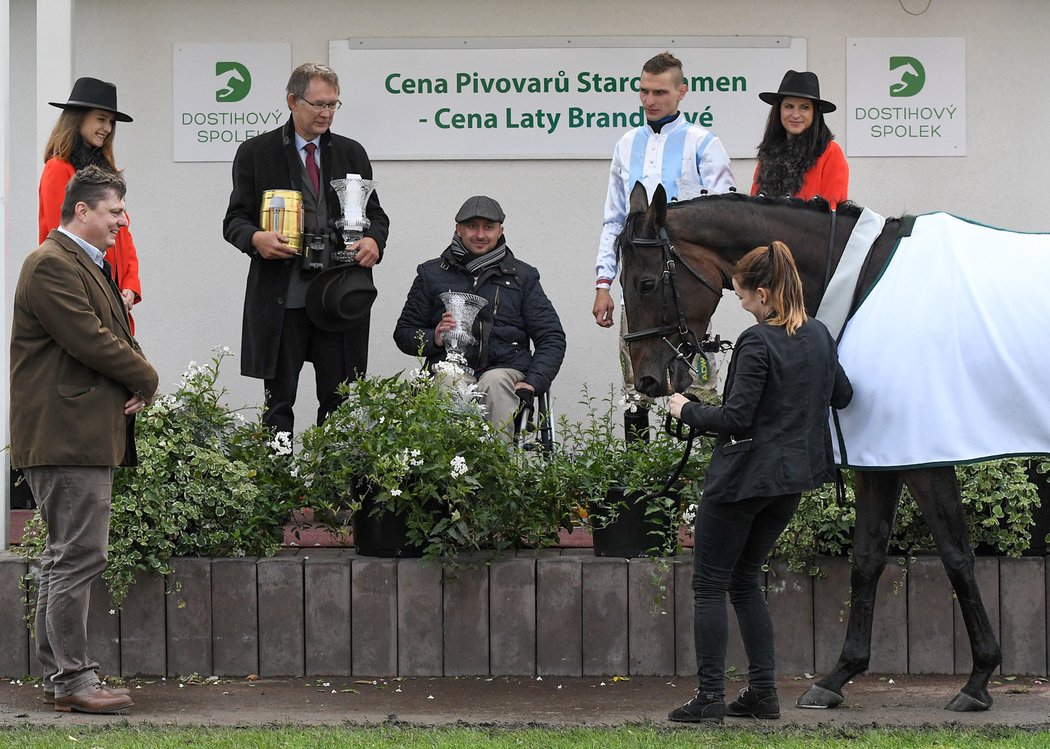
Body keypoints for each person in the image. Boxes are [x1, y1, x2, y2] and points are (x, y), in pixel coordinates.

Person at [665, 240, 852, 724]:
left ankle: (709, 698)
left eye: (745, 295)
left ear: (766, 294)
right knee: (744, 580)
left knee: (709, 584)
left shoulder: (757, 340)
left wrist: (687, 410)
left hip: (743, 481)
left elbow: (737, 416)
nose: (742, 303)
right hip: (791, 483)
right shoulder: (819, 335)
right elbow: (844, 395)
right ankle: (762, 693)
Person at [11, 165, 159, 714]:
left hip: (74, 435)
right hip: (66, 437)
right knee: (78, 556)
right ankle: (73, 679)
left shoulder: (78, 264)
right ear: (82, 211)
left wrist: (134, 370)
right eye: (115, 212)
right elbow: (90, 339)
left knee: (64, 557)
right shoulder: (51, 264)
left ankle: (63, 679)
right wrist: (145, 376)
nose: (122, 221)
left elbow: (106, 335)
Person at [223, 62, 389, 433]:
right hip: (284, 298)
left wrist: (374, 241)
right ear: (292, 101)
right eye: (318, 104)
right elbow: (234, 220)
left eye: (333, 104)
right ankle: (277, 487)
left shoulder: (351, 152)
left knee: (339, 401)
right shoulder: (256, 152)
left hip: (338, 294)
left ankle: (333, 488)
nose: (326, 113)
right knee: (278, 405)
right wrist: (256, 239)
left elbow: (376, 216)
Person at [593, 51, 735, 441]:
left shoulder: (703, 143)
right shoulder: (625, 144)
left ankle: (696, 478)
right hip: (641, 286)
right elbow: (614, 218)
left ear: (681, 92)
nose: (649, 100)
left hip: (689, 287)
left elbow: (725, 215)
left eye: (659, 92)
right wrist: (603, 283)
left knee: (697, 384)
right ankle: (638, 477)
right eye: (643, 91)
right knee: (636, 385)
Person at [394, 196, 566, 441]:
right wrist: (436, 338)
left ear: (500, 231)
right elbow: (404, 332)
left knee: (495, 382)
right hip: (449, 366)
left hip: (505, 369)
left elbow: (552, 337)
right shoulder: (430, 274)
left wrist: (533, 381)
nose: (480, 234)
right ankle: (451, 472)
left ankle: (497, 470)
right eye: (472, 226)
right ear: (458, 229)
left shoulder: (522, 277)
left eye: (488, 227)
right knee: (449, 380)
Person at [39, 77, 141, 328]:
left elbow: (123, 232)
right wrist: (100, 288)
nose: (107, 128)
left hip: (111, 294)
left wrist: (129, 284)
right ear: (78, 118)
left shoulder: (108, 174)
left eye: (111, 122)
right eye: (101, 118)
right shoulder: (58, 169)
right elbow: (64, 240)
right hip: (78, 293)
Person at [751, 70, 849, 209]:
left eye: (804, 107)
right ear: (779, 110)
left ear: (815, 113)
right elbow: (753, 209)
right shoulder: (768, 152)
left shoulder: (831, 152)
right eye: (789, 106)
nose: (795, 115)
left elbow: (832, 216)